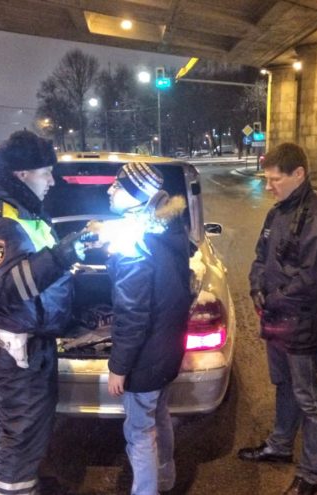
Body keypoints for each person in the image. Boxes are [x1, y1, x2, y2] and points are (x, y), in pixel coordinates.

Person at [0, 130, 88, 495]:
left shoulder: (21, 209)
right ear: (22, 173)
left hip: (28, 339)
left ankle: (20, 479)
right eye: (46, 173)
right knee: (23, 429)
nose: (52, 181)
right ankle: (13, 485)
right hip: (17, 345)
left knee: (17, 422)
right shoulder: (0, 220)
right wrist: (65, 254)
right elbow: (10, 287)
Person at [236, 143, 317, 495]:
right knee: (283, 385)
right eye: (266, 179)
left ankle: (311, 474)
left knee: (309, 399)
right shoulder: (278, 213)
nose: (268, 186)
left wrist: (273, 300)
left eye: (274, 180)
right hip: (277, 320)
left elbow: (312, 281)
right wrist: (256, 287)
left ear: (299, 174)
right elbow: (261, 256)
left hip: (302, 325)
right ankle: (280, 445)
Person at [96, 162, 193, 495]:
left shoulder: (133, 244)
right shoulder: (167, 229)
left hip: (144, 359)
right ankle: (165, 478)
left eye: (118, 185)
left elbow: (132, 314)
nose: (110, 189)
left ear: (136, 196)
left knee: (139, 434)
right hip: (167, 351)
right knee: (159, 415)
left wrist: (118, 367)